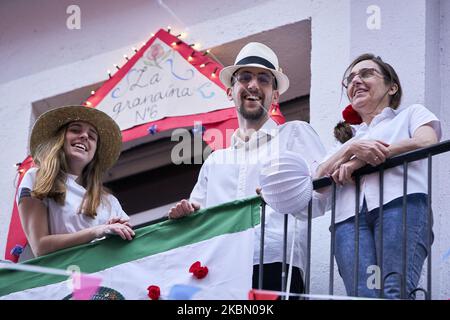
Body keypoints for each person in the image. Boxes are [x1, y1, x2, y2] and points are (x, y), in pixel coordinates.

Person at [168, 42, 327, 294]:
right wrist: (186, 215)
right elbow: (197, 227)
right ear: (230, 91)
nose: (253, 85)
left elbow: (322, 200)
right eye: (244, 78)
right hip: (219, 275)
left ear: (275, 95)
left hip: (275, 264)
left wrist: (285, 196)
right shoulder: (214, 161)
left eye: (264, 79)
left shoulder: (294, 134)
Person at [316, 54, 442, 299]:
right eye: (351, 78)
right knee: (363, 296)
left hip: (400, 205)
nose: (356, 81)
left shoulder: (410, 114)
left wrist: (364, 160)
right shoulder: (348, 141)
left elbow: (427, 141)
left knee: (394, 291)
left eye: (366, 74)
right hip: (348, 220)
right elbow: (319, 181)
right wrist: (351, 149)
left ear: (392, 87)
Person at [17, 105, 135, 259]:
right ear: (60, 139)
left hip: (105, 277)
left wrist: (119, 231)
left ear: (94, 153)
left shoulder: (109, 201)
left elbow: (128, 246)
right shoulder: (36, 177)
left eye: (92, 136)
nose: (85, 136)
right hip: (65, 280)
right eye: (75, 130)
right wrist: (97, 231)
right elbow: (40, 246)